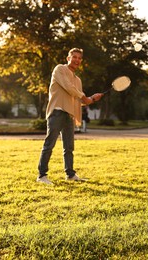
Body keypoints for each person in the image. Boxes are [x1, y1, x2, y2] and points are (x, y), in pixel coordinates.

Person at [37, 48, 103, 185]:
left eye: (79, 58)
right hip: (57, 112)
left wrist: (91, 99)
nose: (77, 60)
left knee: (69, 147)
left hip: (69, 115)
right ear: (68, 58)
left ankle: (70, 174)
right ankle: (42, 176)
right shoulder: (59, 69)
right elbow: (68, 87)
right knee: (49, 144)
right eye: (74, 57)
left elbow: (77, 101)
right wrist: (85, 97)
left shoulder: (78, 80)